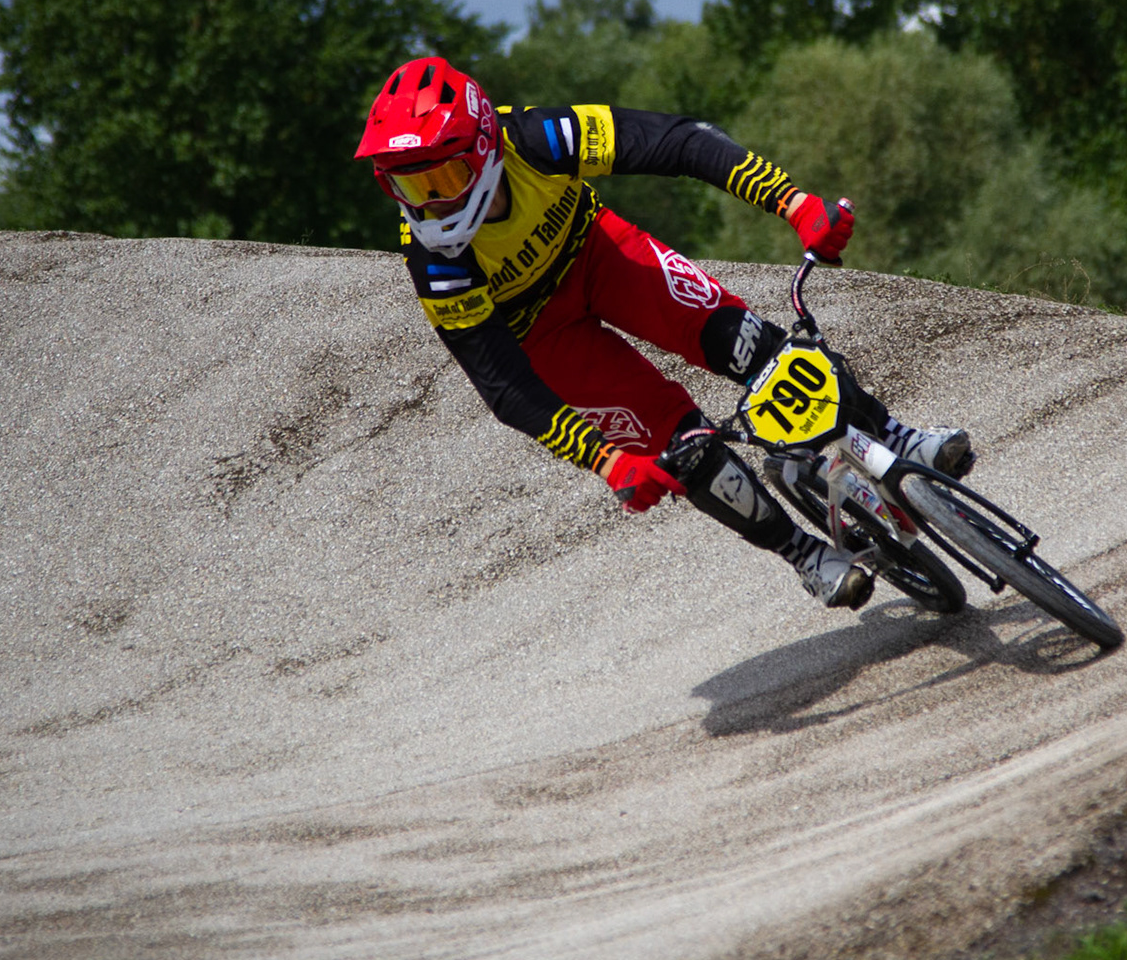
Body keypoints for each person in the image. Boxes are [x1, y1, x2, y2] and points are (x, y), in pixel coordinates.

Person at [355, 56, 974, 611]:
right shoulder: (436, 266)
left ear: (487, 146)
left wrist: (793, 204)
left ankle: (899, 438)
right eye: (407, 185)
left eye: (442, 181)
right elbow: (505, 387)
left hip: (600, 255)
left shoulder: (540, 137)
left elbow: (680, 142)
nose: (430, 205)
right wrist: (605, 460)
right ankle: (805, 555)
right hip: (543, 335)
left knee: (753, 347)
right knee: (686, 450)